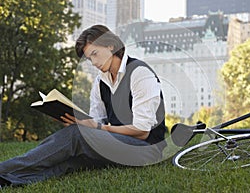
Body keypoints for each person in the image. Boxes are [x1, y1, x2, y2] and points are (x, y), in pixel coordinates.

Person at [0, 25, 167, 187]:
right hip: (118, 146)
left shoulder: (139, 73)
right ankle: (8, 181)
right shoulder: (101, 81)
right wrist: (76, 120)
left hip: (147, 150)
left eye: (95, 54)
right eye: (89, 58)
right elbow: (95, 122)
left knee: (77, 135)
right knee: (71, 162)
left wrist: (96, 128)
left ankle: (4, 168)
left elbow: (142, 132)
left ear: (110, 45)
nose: (93, 62)